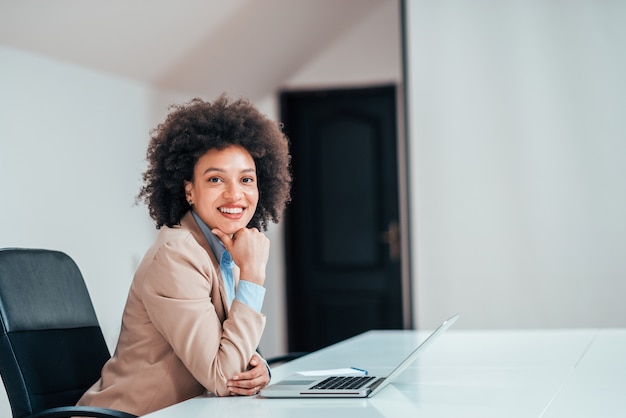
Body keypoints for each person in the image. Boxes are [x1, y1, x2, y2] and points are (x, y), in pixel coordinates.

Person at [77, 94, 291, 416]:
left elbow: (231, 355)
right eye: (216, 179)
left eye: (246, 179)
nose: (235, 194)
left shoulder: (223, 250)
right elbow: (224, 377)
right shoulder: (175, 256)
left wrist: (260, 370)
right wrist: (254, 275)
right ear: (189, 189)